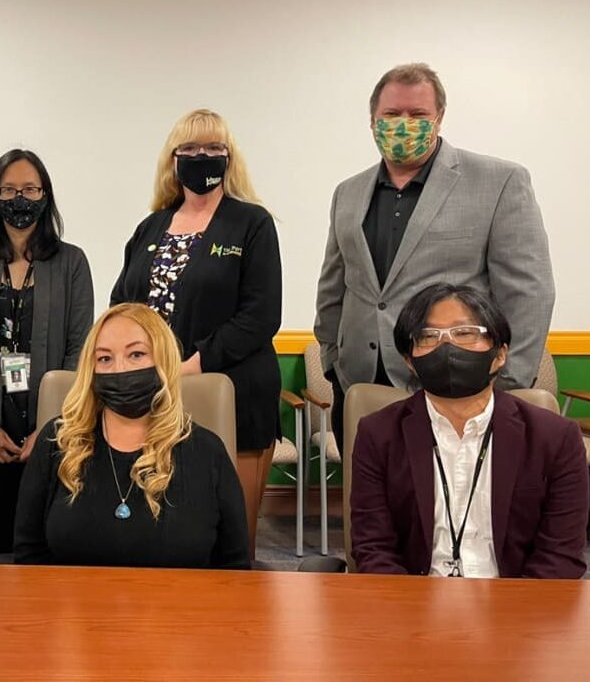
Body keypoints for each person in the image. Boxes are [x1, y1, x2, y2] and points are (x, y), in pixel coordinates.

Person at [314, 63, 553, 453]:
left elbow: (530, 292)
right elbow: (334, 285)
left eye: (418, 114)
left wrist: (505, 383)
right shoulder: (348, 192)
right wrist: (332, 359)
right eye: (392, 114)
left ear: (439, 118)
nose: (404, 124)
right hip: (358, 388)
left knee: (449, 507)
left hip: (459, 387)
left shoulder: (499, 182)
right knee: (367, 505)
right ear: (373, 120)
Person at [111, 108, 281, 549]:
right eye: (188, 148)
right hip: (151, 397)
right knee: (162, 528)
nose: (200, 156)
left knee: (231, 533)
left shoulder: (251, 223)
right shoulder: (151, 226)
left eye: (212, 148)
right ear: (173, 160)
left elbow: (260, 315)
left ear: (229, 158)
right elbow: (122, 305)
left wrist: (191, 364)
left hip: (233, 389)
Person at [350, 283, 587, 578]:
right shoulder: (379, 434)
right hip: (413, 604)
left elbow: (559, 557)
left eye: (465, 333)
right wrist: (408, 611)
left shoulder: (555, 438)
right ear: (410, 361)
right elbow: (373, 548)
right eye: (429, 336)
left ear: (500, 355)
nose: (447, 347)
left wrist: (514, 618)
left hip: (518, 605)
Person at [14, 303, 250, 569]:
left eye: (136, 354)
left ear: (164, 361)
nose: (120, 369)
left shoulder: (207, 452)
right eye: (104, 359)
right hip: (74, 608)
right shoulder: (57, 442)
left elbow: (235, 567)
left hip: (180, 608)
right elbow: (28, 554)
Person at [0, 149, 93, 559]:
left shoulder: (72, 262)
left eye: (29, 188)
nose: (19, 198)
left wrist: (47, 427)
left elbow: (79, 350)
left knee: (53, 542)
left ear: (45, 195)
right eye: (8, 190)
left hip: (53, 428)